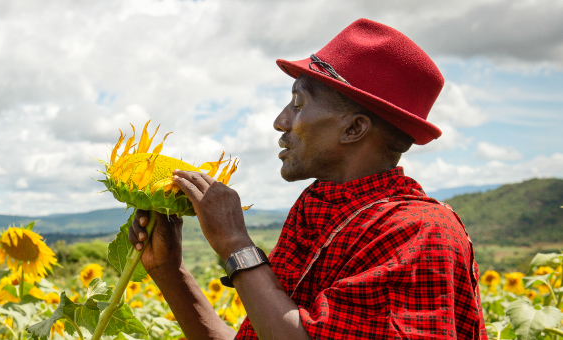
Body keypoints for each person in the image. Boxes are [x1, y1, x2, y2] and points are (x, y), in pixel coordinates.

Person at [128, 18, 487, 339]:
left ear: (354, 127)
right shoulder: (320, 210)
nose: (281, 121)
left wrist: (236, 244)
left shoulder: (419, 233)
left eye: (298, 103)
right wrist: (170, 271)